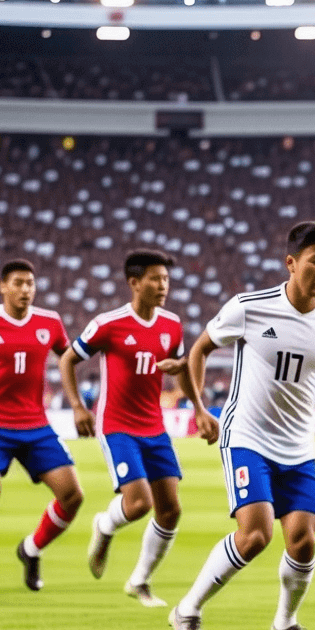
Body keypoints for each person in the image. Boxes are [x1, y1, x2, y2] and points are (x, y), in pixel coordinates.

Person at [169, 222, 315, 630]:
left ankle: (285, 624)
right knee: (256, 534)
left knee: (303, 540)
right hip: (247, 434)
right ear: (291, 263)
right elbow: (199, 350)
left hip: (299, 445)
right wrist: (198, 409)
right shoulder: (249, 308)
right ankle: (187, 611)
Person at [60, 250, 202, 608]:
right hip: (116, 425)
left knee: (170, 510)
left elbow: (182, 367)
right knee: (139, 503)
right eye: (155, 279)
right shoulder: (108, 324)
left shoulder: (172, 325)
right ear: (134, 283)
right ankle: (105, 526)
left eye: (166, 279)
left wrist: (199, 408)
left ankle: (140, 580)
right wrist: (78, 406)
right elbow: (68, 359)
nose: (163, 286)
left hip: (154, 425)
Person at [0, 259, 83, 595]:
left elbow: (66, 358)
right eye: (19, 283)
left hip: (35, 425)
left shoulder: (50, 323)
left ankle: (31, 549)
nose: (26, 290)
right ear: (3, 287)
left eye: (30, 284)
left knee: (72, 496)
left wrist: (78, 404)